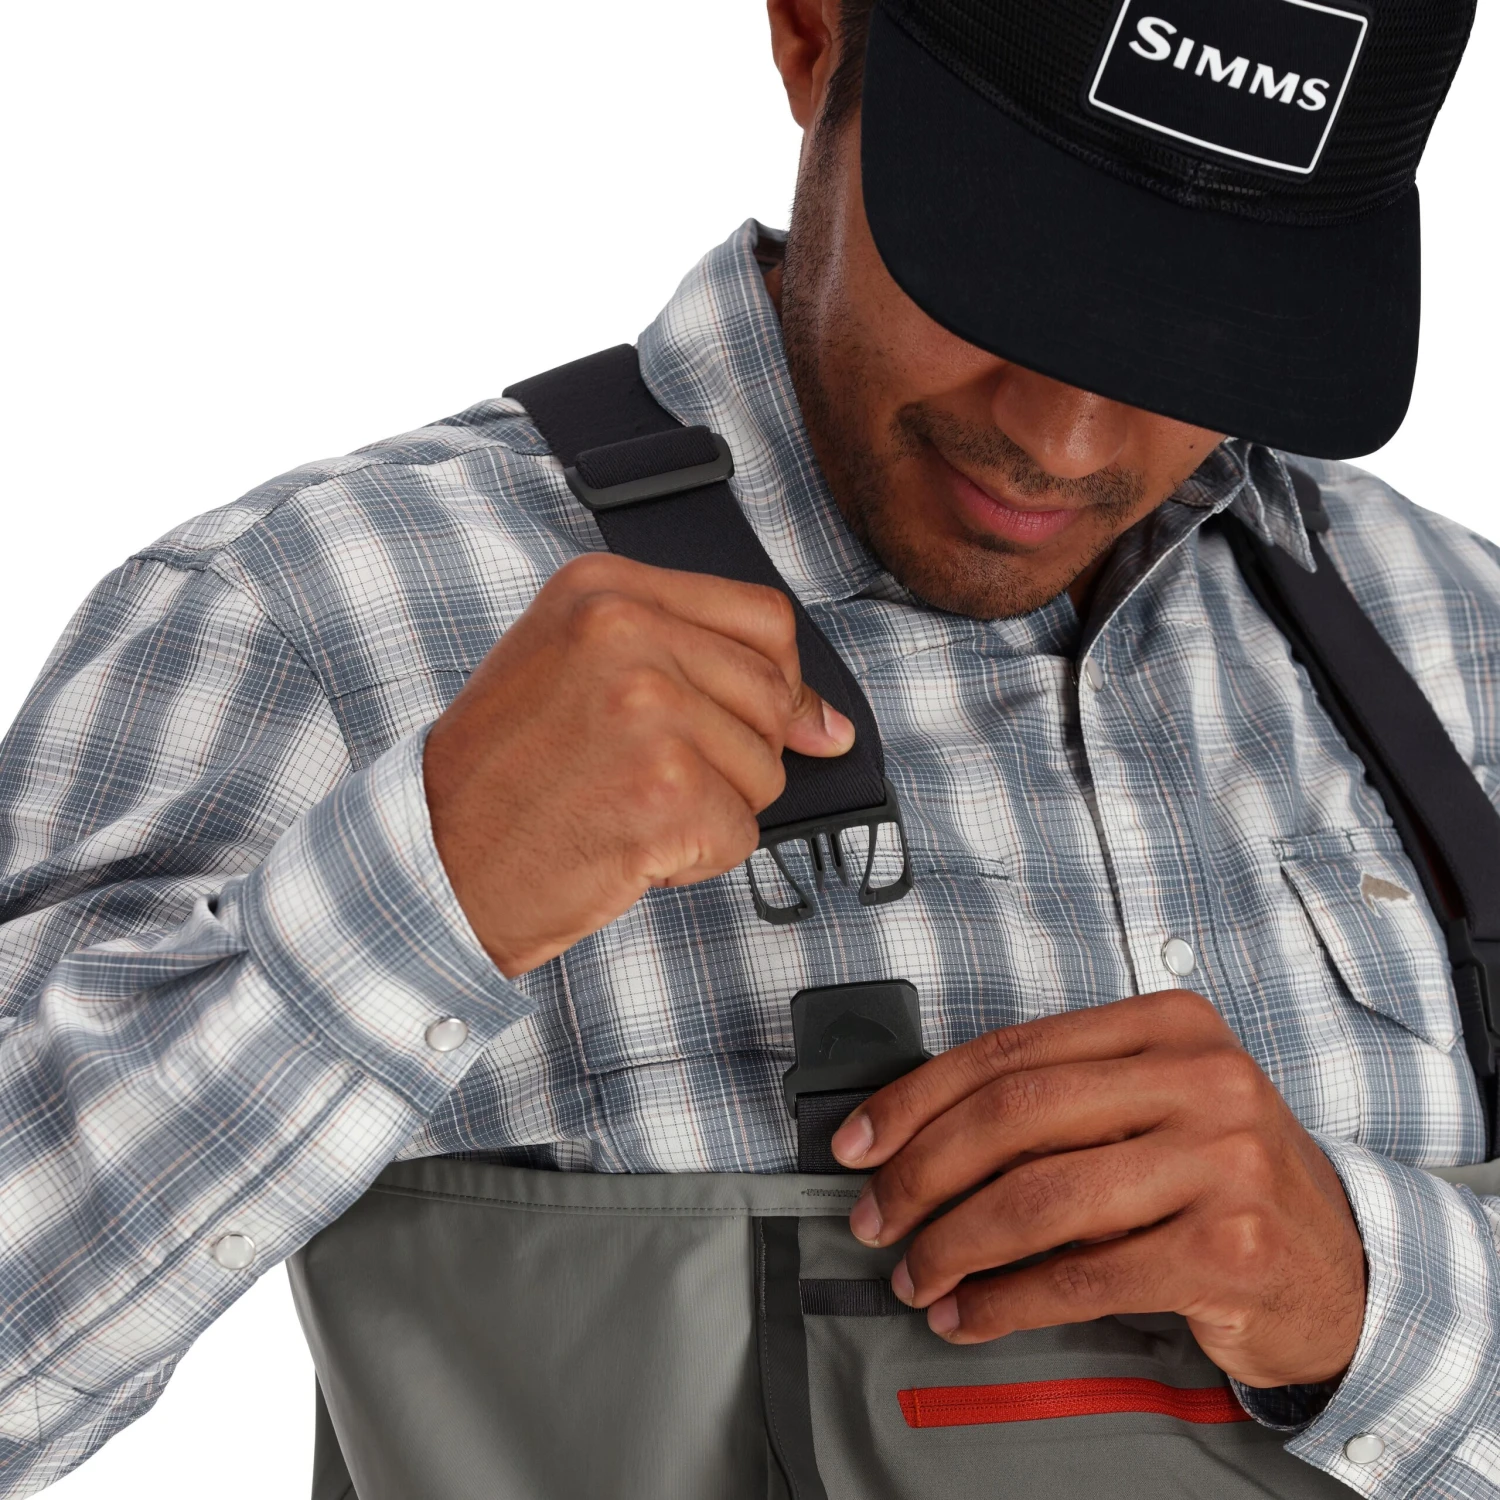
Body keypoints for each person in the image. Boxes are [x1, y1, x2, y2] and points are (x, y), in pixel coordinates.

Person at [0, 0, 1491, 1495]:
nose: (1068, 439)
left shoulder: (1461, 643)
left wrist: (1372, 1293)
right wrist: (429, 894)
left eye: (1197, 319)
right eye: (1015, 274)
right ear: (812, 36)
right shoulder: (320, 617)